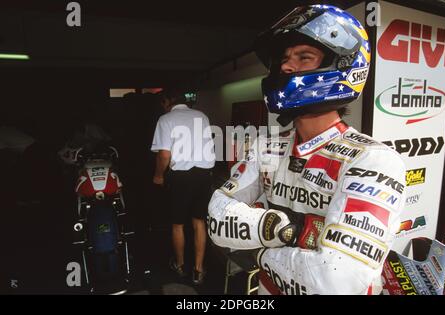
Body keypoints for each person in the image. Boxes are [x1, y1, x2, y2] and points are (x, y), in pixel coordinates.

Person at [208, 5, 406, 295]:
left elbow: (336, 282)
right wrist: (283, 229)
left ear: (342, 65)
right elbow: (217, 218)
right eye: (285, 59)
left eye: (304, 57)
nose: (286, 67)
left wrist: (259, 253)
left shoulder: (374, 160)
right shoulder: (266, 146)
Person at [151, 87, 215, 285]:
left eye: (162, 103)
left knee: (177, 224)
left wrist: (158, 176)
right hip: (204, 175)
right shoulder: (202, 116)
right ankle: (198, 270)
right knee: (199, 222)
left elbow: (163, 154)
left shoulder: (166, 119)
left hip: (180, 177)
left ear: (167, 101)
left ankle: (179, 265)